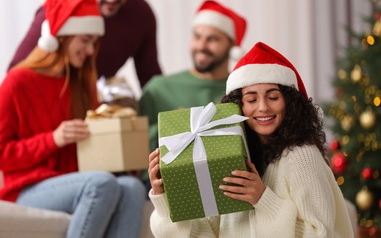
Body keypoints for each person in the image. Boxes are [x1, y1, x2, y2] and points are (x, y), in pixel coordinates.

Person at [147, 42, 354, 237]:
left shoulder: (301, 156)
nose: (263, 107)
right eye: (252, 99)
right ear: (239, 106)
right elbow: (210, 232)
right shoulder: (234, 158)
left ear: (290, 103)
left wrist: (263, 200)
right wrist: (165, 198)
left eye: (273, 97)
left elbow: (322, 233)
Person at [0, 0, 145, 238]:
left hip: (76, 181)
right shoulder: (16, 83)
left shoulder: (82, 84)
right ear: (58, 39)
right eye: (85, 41)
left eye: (94, 44)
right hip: (27, 187)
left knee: (132, 188)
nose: (90, 51)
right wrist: (53, 139)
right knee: (100, 184)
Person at [8, 0, 161, 88]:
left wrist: (178, 124)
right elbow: (15, 76)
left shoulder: (141, 15)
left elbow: (152, 81)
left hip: (94, 105)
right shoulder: (55, 13)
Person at [139, 0, 247, 151]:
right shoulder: (158, 89)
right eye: (197, 37)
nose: (201, 46)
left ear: (232, 46)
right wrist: (174, 125)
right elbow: (136, 146)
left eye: (212, 39)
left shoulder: (243, 91)